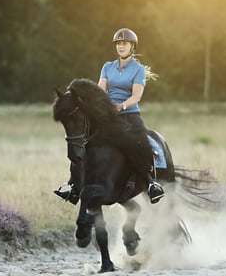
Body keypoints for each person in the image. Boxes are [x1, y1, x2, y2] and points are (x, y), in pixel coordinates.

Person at [54, 27, 165, 204]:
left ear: (132, 47)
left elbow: (136, 96)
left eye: (124, 44)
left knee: (139, 143)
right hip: (108, 116)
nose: (121, 46)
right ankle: (74, 186)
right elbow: (100, 91)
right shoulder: (108, 67)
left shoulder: (138, 70)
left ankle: (151, 182)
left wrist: (121, 105)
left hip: (130, 115)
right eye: (118, 44)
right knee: (83, 142)